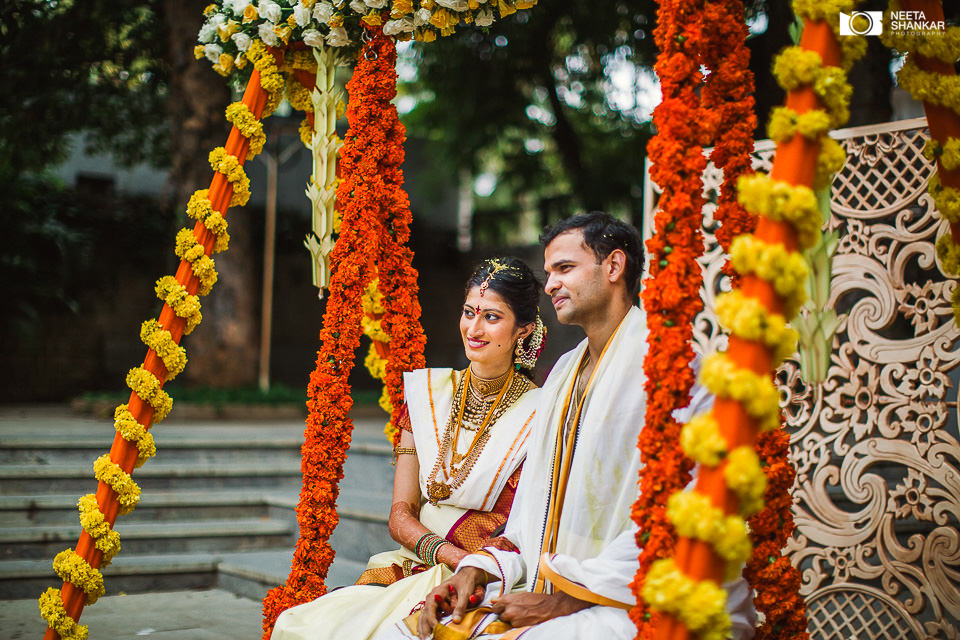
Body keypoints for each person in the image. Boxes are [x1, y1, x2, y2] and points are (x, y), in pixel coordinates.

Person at [377, 212, 755, 640]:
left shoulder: (675, 370)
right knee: (410, 632)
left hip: (647, 597)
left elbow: (690, 518)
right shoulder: (562, 375)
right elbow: (529, 523)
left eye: (565, 268)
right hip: (553, 584)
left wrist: (565, 601)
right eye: (549, 271)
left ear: (614, 267)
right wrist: (476, 570)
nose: (551, 284)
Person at [271, 257, 547, 640]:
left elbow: (527, 528)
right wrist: (453, 557)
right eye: (469, 312)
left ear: (524, 330)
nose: (474, 328)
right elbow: (400, 515)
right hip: (419, 561)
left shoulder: (542, 413)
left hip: (487, 575)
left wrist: (474, 569)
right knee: (297, 625)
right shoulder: (426, 398)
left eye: (492, 317)